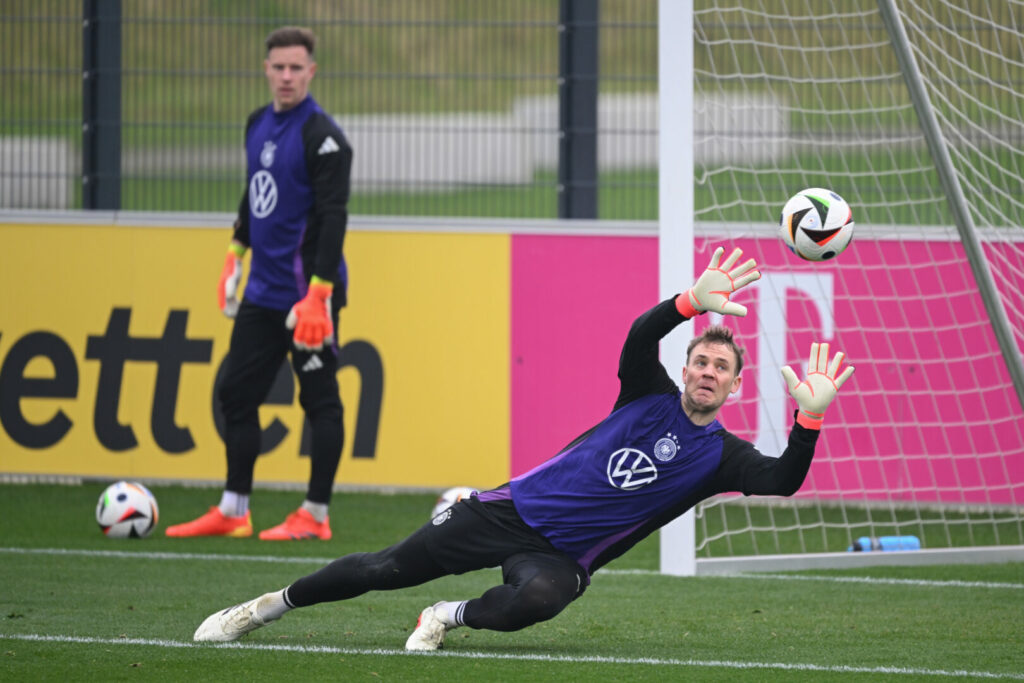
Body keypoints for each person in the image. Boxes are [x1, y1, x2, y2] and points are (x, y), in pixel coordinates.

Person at [192, 246, 854, 647]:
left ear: (735, 388)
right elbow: (637, 333)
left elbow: (783, 480)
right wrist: (685, 302)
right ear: (685, 369)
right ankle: (263, 607)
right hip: (500, 513)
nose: (708, 371)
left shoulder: (721, 456)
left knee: (533, 603)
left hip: (562, 555)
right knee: (379, 568)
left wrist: (810, 420)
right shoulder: (644, 392)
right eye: (701, 361)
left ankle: (445, 615)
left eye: (721, 368)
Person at [166, 27, 353, 541]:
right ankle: (234, 509)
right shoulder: (256, 124)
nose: (287, 76)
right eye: (279, 67)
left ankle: (315, 514)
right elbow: (255, 198)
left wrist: (319, 295)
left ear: (312, 72)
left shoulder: (325, 138)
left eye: (297, 67)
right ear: (266, 69)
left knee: (319, 402)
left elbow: (334, 219)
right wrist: (234, 253)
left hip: (306, 297)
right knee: (235, 393)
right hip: (262, 293)